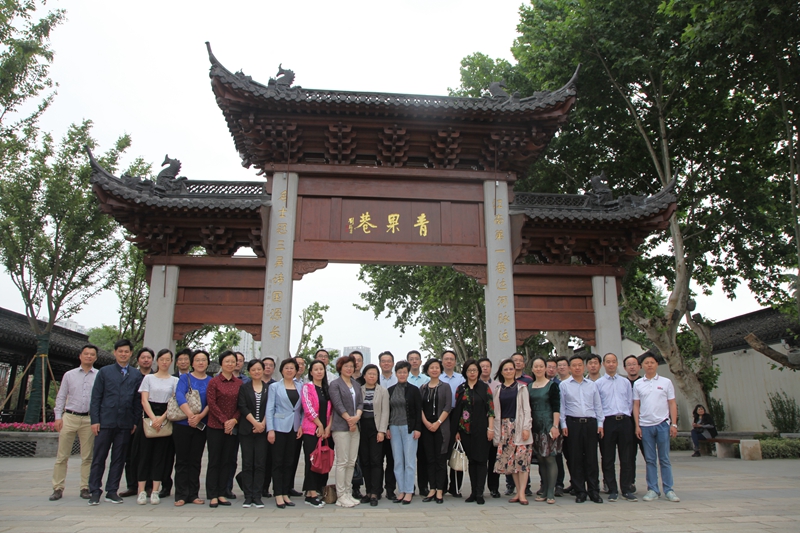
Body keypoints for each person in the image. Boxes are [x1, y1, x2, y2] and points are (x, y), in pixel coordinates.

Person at [87, 339, 143, 506]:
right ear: (115, 353)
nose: (123, 354)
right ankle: (94, 490)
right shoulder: (105, 372)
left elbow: (137, 401)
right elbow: (96, 398)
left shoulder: (136, 374)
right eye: (120, 351)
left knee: (119, 459)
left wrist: (134, 422)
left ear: (131, 353)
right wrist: (95, 420)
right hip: (105, 421)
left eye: (126, 351)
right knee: (99, 457)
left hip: (125, 423)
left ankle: (112, 490)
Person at [50, 344, 99, 501]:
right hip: (70, 416)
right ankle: (58, 488)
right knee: (62, 456)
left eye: (92, 354)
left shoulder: (99, 375)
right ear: (80, 356)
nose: (89, 356)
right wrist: (58, 416)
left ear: (95, 358)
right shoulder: (69, 375)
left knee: (87, 456)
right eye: (86, 353)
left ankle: (85, 487)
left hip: (89, 419)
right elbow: (61, 396)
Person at [633, 354, 680, 502]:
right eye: (646, 363)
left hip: (662, 424)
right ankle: (653, 489)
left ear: (656, 364)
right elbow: (636, 405)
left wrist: (673, 424)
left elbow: (672, 403)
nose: (649, 365)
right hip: (645, 425)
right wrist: (637, 425)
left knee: (664, 458)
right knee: (650, 459)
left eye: (652, 362)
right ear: (642, 366)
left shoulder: (666, 382)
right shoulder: (638, 384)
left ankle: (669, 489)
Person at [136, 348, 178, 505]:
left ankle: (155, 490)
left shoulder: (174, 381)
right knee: (144, 455)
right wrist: (154, 419)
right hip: (148, 418)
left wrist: (161, 419)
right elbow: (144, 400)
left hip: (165, 418)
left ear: (171, 362)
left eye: (168, 359)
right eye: (162, 359)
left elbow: (174, 402)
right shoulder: (148, 378)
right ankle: (141, 491)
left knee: (160, 456)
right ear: (157, 361)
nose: (165, 362)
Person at [560, 355, 604, 504]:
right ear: (570, 368)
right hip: (573, 424)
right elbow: (562, 407)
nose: (577, 368)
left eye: (580, 365)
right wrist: (563, 425)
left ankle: (594, 490)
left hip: (590, 423)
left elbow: (598, 405)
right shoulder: (564, 385)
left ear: (584, 367)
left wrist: (600, 423)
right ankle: (580, 491)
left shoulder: (592, 385)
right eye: (574, 365)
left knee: (591, 458)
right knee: (575, 458)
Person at [172, 349, 211, 507]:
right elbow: (179, 395)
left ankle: (193, 494)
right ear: (192, 363)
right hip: (183, 424)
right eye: (198, 360)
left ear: (207, 363)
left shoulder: (211, 381)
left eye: (204, 360)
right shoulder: (185, 378)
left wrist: (199, 417)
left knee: (195, 460)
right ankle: (181, 495)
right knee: (182, 460)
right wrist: (191, 416)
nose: (201, 362)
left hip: (201, 425)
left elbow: (211, 402)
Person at [596, 352, 636, 502]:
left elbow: (630, 402)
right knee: (607, 457)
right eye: (608, 361)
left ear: (617, 363)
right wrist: (600, 424)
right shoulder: (598, 383)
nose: (611, 364)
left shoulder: (625, 382)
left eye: (613, 361)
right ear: (603, 364)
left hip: (624, 420)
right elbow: (597, 405)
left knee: (626, 456)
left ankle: (626, 488)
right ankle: (612, 489)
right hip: (608, 421)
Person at [492, 359, 532, 505]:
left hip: (519, 426)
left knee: (522, 461)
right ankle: (517, 491)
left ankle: (522, 493)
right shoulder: (498, 389)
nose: (508, 371)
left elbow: (527, 409)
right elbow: (496, 412)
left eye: (511, 369)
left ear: (515, 371)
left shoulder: (522, 388)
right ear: (501, 372)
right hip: (505, 428)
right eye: (506, 369)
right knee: (512, 462)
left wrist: (526, 428)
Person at [453, 359, 494, 505]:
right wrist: (457, 431)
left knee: (481, 461)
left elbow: (490, 410)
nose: (472, 373)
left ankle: (480, 493)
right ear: (465, 372)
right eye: (469, 370)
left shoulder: (485, 388)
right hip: (465, 430)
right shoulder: (461, 388)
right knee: (471, 461)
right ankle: (473, 492)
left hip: (482, 429)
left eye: (474, 370)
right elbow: (457, 411)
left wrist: (490, 428)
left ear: (478, 372)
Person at [205, 350, 241, 508]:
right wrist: (224, 421)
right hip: (215, 426)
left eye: (233, 361)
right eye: (227, 361)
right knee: (215, 460)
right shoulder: (214, 382)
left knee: (227, 460)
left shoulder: (239, 383)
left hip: (232, 427)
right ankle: (212, 494)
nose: (230, 364)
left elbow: (241, 404)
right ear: (221, 363)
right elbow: (211, 404)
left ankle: (221, 492)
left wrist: (233, 420)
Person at [266, 358, 304, 509]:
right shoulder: (274, 387)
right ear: (281, 370)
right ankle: (278, 493)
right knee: (278, 462)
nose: (289, 370)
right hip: (279, 427)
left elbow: (302, 410)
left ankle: (286, 492)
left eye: (292, 368)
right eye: (286, 368)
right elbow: (270, 409)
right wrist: (270, 429)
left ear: (296, 370)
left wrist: (301, 425)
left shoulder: (301, 386)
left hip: (294, 428)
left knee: (289, 462)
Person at [329, 355, 364, 507]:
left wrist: (356, 417)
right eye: (346, 366)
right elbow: (337, 404)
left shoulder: (356, 384)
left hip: (355, 427)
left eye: (351, 366)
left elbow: (361, 403)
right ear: (340, 368)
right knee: (342, 462)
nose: (349, 369)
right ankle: (341, 495)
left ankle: (348, 492)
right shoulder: (335, 384)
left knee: (351, 462)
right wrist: (349, 419)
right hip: (341, 427)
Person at [386, 360, 422, 505]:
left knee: (409, 461)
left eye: (404, 372)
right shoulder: (390, 390)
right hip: (394, 427)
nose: (402, 374)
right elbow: (388, 411)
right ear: (396, 373)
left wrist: (418, 428)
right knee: (398, 461)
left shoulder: (414, 390)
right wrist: (387, 428)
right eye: (399, 372)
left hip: (409, 428)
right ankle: (401, 490)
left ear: (408, 373)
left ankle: (409, 491)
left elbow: (418, 410)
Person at [120, 347, 154, 498]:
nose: (146, 360)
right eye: (143, 357)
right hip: (132, 420)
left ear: (153, 360)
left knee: (149, 454)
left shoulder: (156, 377)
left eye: (149, 357)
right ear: (138, 359)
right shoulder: (131, 376)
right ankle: (132, 485)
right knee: (131, 454)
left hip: (151, 420)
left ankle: (149, 485)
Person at [528, 356, 561, 504]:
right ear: (532, 369)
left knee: (550, 458)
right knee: (540, 459)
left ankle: (551, 492)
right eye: (536, 366)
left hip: (548, 425)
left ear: (545, 368)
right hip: (535, 426)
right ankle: (544, 489)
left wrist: (555, 426)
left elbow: (556, 407)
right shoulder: (529, 387)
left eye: (541, 366)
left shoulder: (552, 386)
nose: (539, 369)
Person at [419, 358, 452, 504]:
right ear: (427, 370)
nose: (434, 370)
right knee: (430, 459)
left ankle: (440, 490)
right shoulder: (423, 388)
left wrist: (438, 423)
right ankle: (431, 488)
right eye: (431, 367)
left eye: (437, 367)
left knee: (440, 460)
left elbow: (447, 407)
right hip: (426, 428)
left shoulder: (445, 387)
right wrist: (426, 423)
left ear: (440, 370)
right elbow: (419, 408)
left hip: (441, 428)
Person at [300, 360, 333, 508]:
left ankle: (316, 490)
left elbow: (332, 411)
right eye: (316, 369)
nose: (319, 372)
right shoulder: (307, 387)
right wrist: (319, 425)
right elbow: (308, 408)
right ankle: (311, 492)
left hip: (326, 431)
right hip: (311, 430)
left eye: (321, 369)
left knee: (323, 460)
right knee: (312, 461)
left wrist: (327, 428)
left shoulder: (327, 389)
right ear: (311, 372)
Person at [356, 364, 389, 506]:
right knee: (365, 460)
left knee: (376, 461)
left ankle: (375, 492)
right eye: (369, 373)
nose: (372, 376)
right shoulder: (359, 390)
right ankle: (368, 491)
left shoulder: (383, 391)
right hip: (362, 428)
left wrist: (382, 431)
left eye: (374, 374)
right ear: (364, 376)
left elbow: (385, 412)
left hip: (376, 428)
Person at [238, 359, 269, 508]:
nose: (257, 372)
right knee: (247, 463)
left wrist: (262, 424)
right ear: (249, 372)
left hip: (262, 431)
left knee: (260, 464)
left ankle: (257, 495)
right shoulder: (244, 388)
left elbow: (270, 407)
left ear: (263, 370)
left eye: (259, 369)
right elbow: (242, 407)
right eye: (253, 369)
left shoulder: (268, 388)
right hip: (247, 430)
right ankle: (248, 496)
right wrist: (255, 423)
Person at [440, 350, 465, 497]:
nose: (449, 361)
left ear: (455, 362)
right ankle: (441, 486)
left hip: (457, 415)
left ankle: (455, 487)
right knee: (442, 451)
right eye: (446, 359)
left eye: (451, 359)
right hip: (441, 415)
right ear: (442, 361)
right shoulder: (437, 377)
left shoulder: (461, 379)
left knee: (457, 450)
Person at [477, 357, 501, 498]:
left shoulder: (498, 386)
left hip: (495, 426)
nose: (485, 368)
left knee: (493, 458)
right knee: (480, 459)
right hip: (479, 426)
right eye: (482, 366)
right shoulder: (473, 385)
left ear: (491, 369)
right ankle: (478, 488)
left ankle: (494, 487)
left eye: (487, 366)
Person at [377, 351, 397, 499]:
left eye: (388, 361)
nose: (386, 364)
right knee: (377, 460)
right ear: (379, 364)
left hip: (395, 425)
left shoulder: (398, 379)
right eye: (383, 361)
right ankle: (376, 489)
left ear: (393, 363)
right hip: (378, 427)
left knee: (392, 460)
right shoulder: (374, 379)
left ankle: (390, 489)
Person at [623, 354, 643, 492]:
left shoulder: (644, 382)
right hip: (628, 423)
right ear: (625, 368)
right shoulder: (623, 383)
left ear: (639, 366)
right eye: (629, 365)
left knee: (649, 455)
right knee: (629, 455)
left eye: (634, 364)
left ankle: (653, 484)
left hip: (644, 422)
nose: (632, 367)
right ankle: (630, 482)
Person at [261, 356, 277, 498]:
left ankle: (264, 487)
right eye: (265, 364)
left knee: (269, 458)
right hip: (254, 426)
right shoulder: (251, 384)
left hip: (271, 425)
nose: (267, 367)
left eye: (270, 365)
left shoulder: (276, 385)